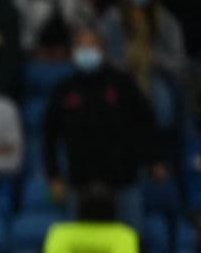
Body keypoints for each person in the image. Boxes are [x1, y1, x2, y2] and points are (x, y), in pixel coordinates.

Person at [43, 25, 165, 227]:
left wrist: (155, 159)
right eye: (81, 46)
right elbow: (49, 135)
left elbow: (146, 122)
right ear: (73, 52)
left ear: (102, 49)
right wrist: (53, 175)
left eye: (91, 45)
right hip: (80, 183)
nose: (86, 51)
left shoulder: (122, 83)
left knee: (130, 244)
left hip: (122, 181)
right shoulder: (64, 89)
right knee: (81, 247)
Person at [98, 0, 186, 133]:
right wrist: (125, 62)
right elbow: (102, 56)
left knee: (164, 101)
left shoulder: (166, 20)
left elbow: (179, 62)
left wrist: (154, 59)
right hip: (119, 80)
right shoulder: (111, 19)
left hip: (156, 78)